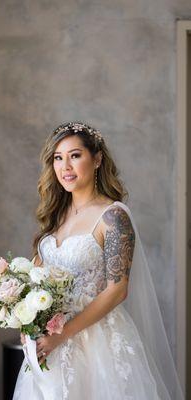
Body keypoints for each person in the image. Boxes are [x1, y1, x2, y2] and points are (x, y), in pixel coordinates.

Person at [12, 121, 184, 400]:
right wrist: (27, 322)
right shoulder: (56, 216)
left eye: (75, 155)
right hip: (51, 344)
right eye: (58, 158)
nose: (65, 166)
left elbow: (117, 290)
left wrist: (63, 334)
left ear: (97, 159)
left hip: (97, 343)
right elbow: (36, 280)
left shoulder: (113, 217)